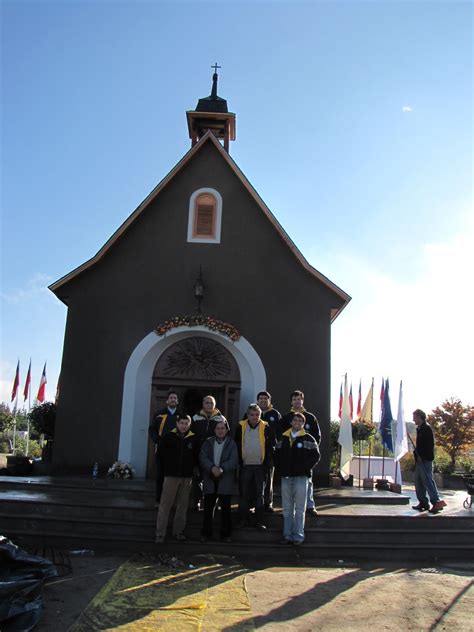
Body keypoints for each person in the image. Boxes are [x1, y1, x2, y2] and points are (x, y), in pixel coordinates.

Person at [274, 411, 320, 545]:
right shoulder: (282, 438)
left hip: (301, 478)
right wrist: (281, 469)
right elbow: (276, 456)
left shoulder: (309, 438)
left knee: (300, 509)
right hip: (286, 478)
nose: (297, 423)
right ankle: (287, 535)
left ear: (303, 424)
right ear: (291, 422)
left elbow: (315, 456)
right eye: (295, 420)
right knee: (287, 508)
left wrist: (305, 468)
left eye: (300, 421)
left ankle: (298, 536)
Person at [155, 415, 200, 543]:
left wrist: (194, 470)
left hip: (187, 478)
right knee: (165, 505)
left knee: (182, 506)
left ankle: (178, 532)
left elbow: (197, 458)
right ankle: (160, 534)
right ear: (177, 423)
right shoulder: (168, 437)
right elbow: (160, 456)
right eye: (182, 423)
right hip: (170, 476)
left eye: (186, 423)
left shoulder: (194, 439)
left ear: (190, 424)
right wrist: (164, 471)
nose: (184, 426)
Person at [279, 390, 321, 516]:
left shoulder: (310, 417)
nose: (297, 401)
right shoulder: (286, 418)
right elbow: (280, 435)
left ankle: (310, 505)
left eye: (299, 399)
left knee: (308, 482)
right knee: (289, 486)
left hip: (305, 458)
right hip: (289, 459)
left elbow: (317, 436)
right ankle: (289, 507)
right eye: (294, 399)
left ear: (302, 401)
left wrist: (311, 449)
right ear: (291, 402)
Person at [235, 403, 273, 531]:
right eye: (252, 415)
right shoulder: (240, 426)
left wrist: (267, 465)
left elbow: (270, 448)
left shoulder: (266, 427)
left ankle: (259, 521)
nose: (254, 417)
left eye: (257, 415)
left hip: (260, 467)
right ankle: (242, 520)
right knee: (243, 494)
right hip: (245, 466)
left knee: (259, 495)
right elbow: (236, 445)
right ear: (247, 415)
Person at [199, 419, 238, 542]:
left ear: (226, 430)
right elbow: (202, 457)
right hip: (210, 478)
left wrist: (222, 468)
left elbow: (234, 460)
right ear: (214, 430)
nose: (220, 430)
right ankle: (206, 533)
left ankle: (226, 535)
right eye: (218, 428)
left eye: (222, 428)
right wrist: (212, 468)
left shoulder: (232, 443)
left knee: (226, 509)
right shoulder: (208, 442)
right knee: (208, 508)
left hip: (225, 478)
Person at [191, 396, 227, 510]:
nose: (209, 405)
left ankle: (212, 505)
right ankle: (196, 502)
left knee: (214, 480)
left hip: (214, 455)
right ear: (203, 404)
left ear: (215, 405)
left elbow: (226, 436)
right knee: (197, 479)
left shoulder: (221, 418)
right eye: (207, 403)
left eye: (211, 403)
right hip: (198, 454)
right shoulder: (195, 418)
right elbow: (190, 435)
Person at [412, 409, 447, 514]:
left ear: (419, 417)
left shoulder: (427, 429)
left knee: (427, 481)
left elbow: (429, 445)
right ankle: (423, 502)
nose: (413, 419)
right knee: (418, 481)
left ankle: (436, 502)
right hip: (419, 460)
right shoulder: (420, 429)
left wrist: (422, 456)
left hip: (425, 460)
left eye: (414, 417)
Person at [148, 390, 181, 505]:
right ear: (167, 401)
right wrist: (157, 439)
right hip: (162, 450)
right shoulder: (159, 414)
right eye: (171, 398)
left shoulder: (182, 415)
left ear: (177, 401)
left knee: (174, 476)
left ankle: (173, 500)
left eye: (175, 398)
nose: (173, 399)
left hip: (178, 451)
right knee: (161, 475)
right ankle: (159, 499)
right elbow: (151, 429)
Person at [256, 391, 281, 513]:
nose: (263, 400)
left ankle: (268, 502)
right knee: (254, 478)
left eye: (266, 398)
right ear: (257, 401)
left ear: (269, 401)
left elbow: (281, 433)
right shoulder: (251, 412)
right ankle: (255, 502)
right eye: (261, 398)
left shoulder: (275, 414)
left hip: (270, 452)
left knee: (269, 478)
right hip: (254, 452)